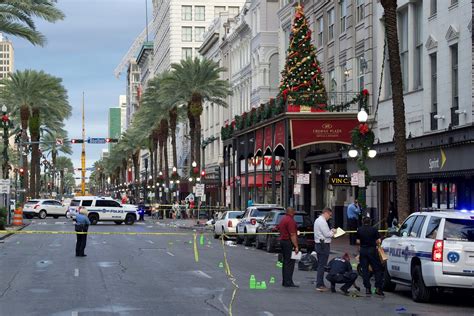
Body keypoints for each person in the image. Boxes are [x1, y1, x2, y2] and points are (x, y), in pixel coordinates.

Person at [356, 217, 384, 297]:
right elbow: (379, 241)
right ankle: (378, 288)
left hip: (363, 251)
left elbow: (358, 241)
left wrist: (359, 250)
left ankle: (367, 288)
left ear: (362, 222)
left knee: (365, 270)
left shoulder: (360, 230)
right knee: (377, 269)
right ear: (370, 222)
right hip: (372, 250)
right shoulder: (374, 229)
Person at [314, 207, 336, 292]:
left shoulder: (317, 220)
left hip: (319, 244)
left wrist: (330, 231)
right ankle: (319, 284)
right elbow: (327, 234)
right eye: (329, 215)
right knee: (322, 266)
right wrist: (333, 232)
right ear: (326, 213)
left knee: (321, 264)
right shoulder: (322, 222)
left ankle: (320, 283)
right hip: (323, 245)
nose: (330, 217)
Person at [278, 207, 300, 287]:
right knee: (290, 263)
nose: (295, 212)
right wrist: (296, 246)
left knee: (285, 262)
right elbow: (293, 234)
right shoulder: (290, 221)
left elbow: (279, 228)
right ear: (292, 212)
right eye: (294, 211)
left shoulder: (283, 219)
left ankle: (285, 281)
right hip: (288, 242)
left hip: (283, 241)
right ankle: (288, 281)